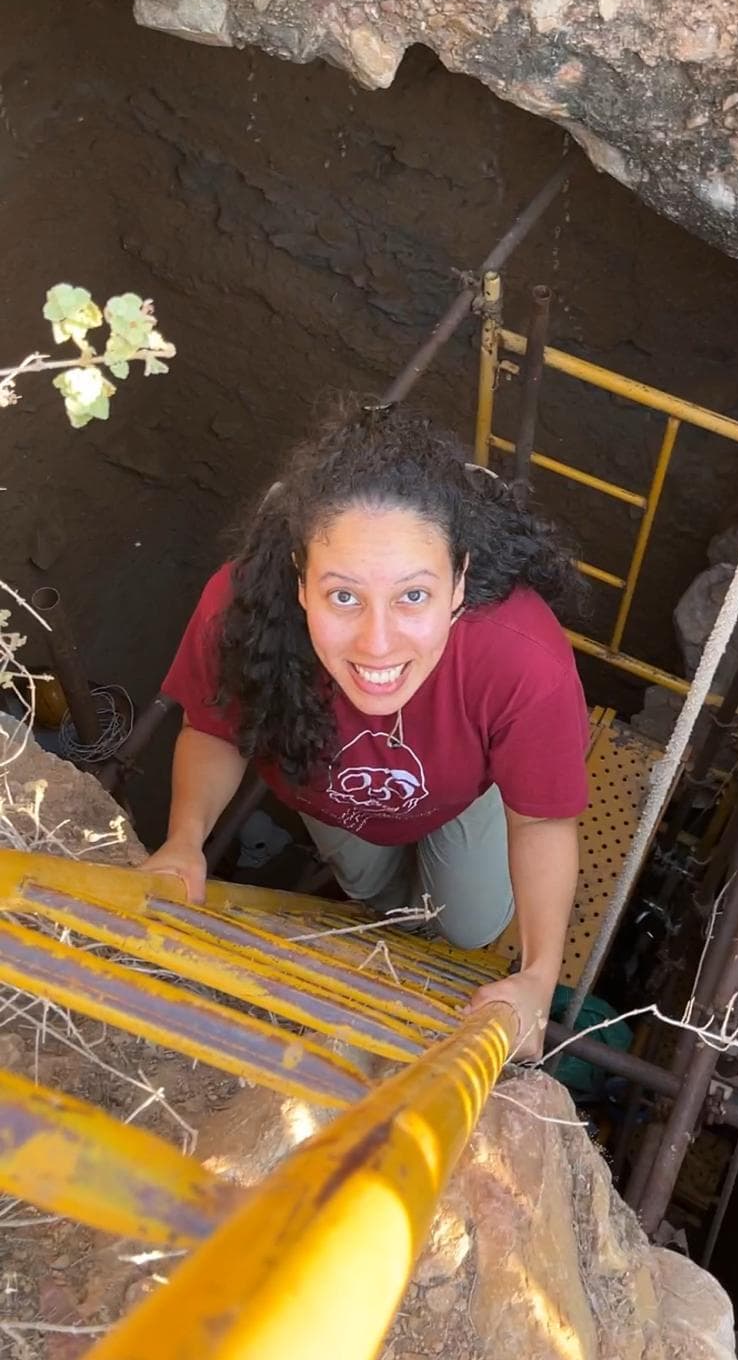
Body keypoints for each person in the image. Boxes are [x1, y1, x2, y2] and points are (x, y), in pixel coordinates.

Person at [144, 401, 589, 1055]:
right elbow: (213, 729)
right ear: (301, 581)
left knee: (469, 926)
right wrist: (185, 840)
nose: (377, 644)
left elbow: (543, 820)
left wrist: (539, 976)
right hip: (323, 792)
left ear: (458, 582)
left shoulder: (522, 660)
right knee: (373, 893)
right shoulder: (241, 611)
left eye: (413, 595)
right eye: (344, 596)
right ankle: (393, 915)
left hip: (457, 797)